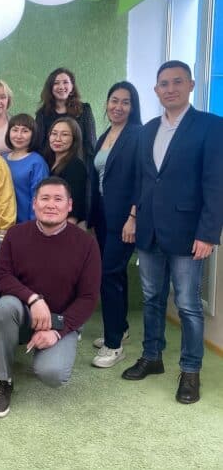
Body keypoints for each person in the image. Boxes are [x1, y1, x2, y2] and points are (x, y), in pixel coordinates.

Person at [122, 61, 223, 404]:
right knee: (151, 298)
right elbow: (143, 180)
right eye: (163, 83)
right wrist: (133, 217)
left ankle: (190, 370)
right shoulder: (147, 130)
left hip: (188, 233)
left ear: (191, 85)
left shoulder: (211, 126)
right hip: (149, 230)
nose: (170, 89)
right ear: (156, 90)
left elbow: (215, 184)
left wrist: (208, 234)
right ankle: (152, 357)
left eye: (177, 82)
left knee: (188, 304)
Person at [0, 177, 101, 417]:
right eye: (45, 198)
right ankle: (3, 380)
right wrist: (33, 299)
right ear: (34, 203)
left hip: (61, 320)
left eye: (58, 199)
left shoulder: (86, 244)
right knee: (4, 306)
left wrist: (57, 331)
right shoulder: (15, 235)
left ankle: (54, 343)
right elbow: (1, 277)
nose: (51, 204)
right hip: (24, 313)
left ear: (69, 205)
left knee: (53, 374)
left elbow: (88, 297)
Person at [87, 81, 142, 368]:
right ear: (107, 103)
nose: (118, 107)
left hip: (124, 218)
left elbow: (142, 179)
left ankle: (113, 345)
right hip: (102, 217)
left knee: (108, 274)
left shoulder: (138, 135)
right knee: (115, 274)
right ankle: (120, 327)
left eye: (125, 102)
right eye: (114, 100)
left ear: (133, 107)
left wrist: (133, 217)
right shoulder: (105, 135)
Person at [35, 67, 96, 169]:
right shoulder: (42, 114)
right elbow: (39, 146)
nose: (61, 86)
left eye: (65, 82)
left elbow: (90, 144)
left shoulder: (84, 110)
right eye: (56, 83)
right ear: (50, 88)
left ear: (72, 87)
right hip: (51, 168)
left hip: (79, 167)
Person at [4, 113, 49, 223]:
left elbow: (39, 198)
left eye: (25, 131)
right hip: (3, 223)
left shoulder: (37, 162)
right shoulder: (1, 159)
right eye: (15, 130)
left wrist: (32, 226)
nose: (19, 135)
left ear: (33, 135)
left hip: (26, 224)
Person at [44, 117, 87, 225]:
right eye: (54, 133)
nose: (57, 139)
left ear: (74, 139)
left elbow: (75, 207)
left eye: (64, 134)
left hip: (65, 225)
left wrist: (65, 230)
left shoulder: (76, 166)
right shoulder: (48, 162)